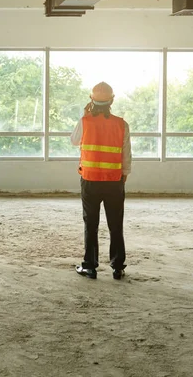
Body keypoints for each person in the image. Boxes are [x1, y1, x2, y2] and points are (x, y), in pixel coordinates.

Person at [70, 82, 131, 280]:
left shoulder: (84, 121)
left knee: (91, 223)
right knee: (115, 224)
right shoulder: (121, 124)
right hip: (114, 181)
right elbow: (126, 155)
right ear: (112, 100)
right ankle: (118, 267)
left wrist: (85, 114)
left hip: (90, 180)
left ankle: (89, 266)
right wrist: (124, 175)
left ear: (91, 100)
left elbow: (73, 140)